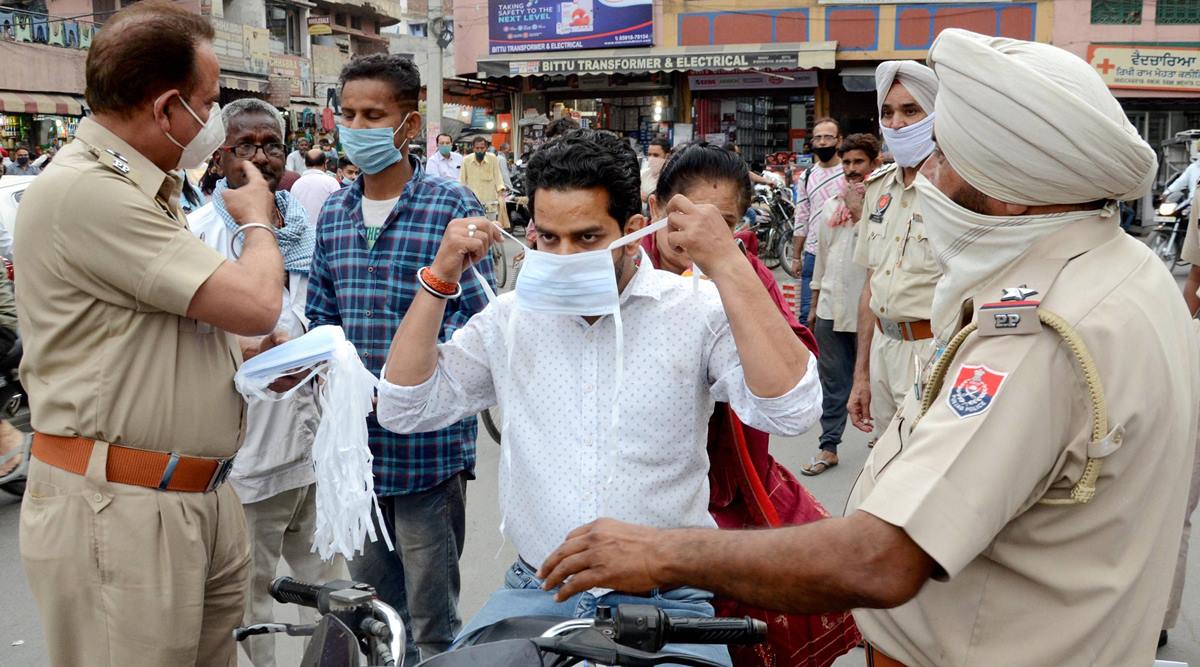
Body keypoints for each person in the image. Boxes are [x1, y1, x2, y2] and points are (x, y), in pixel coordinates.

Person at [535, 29, 1200, 667]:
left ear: (1008, 185)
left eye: (945, 156)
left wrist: (662, 553)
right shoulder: (1126, 269)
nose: (930, 177)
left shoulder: (1037, 332)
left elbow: (880, 556)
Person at [375, 128, 820, 666]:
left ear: (633, 230)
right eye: (548, 238)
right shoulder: (511, 319)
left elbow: (792, 409)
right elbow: (404, 408)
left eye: (586, 238)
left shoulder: (697, 310)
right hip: (536, 593)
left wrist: (727, 263)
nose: (563, 256)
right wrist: (439, 277)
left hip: (667, 601)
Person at [14, 2, 287, 665]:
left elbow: (141, 338)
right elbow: (255, 301)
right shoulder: (91, 191)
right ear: (167, 109)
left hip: (189, 496)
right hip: (127, 506)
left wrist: (247, 358)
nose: (215, 122)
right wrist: (257, 222)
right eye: (209, 102)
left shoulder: (144, 190)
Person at [305, 53, 492, 665]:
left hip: (428, 456)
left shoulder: (450, 207)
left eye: (373, 115)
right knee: (372, 618)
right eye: (349, 113)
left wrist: (413, 381)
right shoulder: (332, 212)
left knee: (432, 623)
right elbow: (323, 315)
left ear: (408, 125)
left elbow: (478, 321)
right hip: (357, 457)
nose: (357, 125)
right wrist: (318, 369)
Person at [188, 97, 346, 667]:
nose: (259, 156)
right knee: (250, 597)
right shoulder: (200, 234)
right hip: (248, 456)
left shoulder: (307, 227)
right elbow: (191, 340)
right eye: (244, 145)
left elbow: (324, 313)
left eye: (271, 144)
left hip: (313, 443)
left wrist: (319, 351)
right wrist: (250, 356)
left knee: (330, 584)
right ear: (221, 154)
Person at [847, 62, 942, 444]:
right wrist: (862, 375)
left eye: (911, 110)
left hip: (934, 351)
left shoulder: (956, 188)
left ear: (936, 114)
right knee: (885, 463)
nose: (898, 123)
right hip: (884, 350)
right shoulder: (878, 188)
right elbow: (871, 287)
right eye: (887, 112)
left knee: (927, 471)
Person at [801, 134, 879, 476]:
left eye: (858, 162)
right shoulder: (832, 206)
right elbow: (823, 259)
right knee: (833, 383)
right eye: (846, 163)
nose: (851, 170)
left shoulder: (886, 205)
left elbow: (879, 252)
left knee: (877, 381)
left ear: (874, 164)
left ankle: (884, 448)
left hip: (872, 311)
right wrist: (814, 305)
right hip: (832, 308)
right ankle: (828, 447)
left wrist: (861, 209)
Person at [791, 118, 845, 322]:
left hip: (842, 251)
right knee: (807, 315)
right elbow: (801, 215)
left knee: (839, 314)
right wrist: (796, 256)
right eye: (818, 138)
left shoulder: (849, 172)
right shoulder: (806, 175)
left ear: (839, 141)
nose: (822, 142)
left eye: (828, 137)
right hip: (813, 253)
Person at [460, 136, 507, 223]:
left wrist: (501, 192)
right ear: (473, 148)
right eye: (477, 148)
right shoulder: (466, 160)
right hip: (473, 203)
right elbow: (462, 181)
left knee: (491, 228)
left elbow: (498, 176)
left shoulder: (492, 158)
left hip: (490, 203)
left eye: (482, 148)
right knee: (474, 228)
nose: (480, 150)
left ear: (486, 148)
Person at [291, 147, 342, 228]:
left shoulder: (296, 184)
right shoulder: (331, 182)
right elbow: (339, 210)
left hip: (303, 235)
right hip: (326, 232)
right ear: (325, 163)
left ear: (305, 164)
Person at [639, 137, 669, 203]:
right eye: (649, 155)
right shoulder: (643, 174)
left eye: (656, 155)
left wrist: (648, 198)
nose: (651, 158)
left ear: (667, 156)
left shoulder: (671, 178)